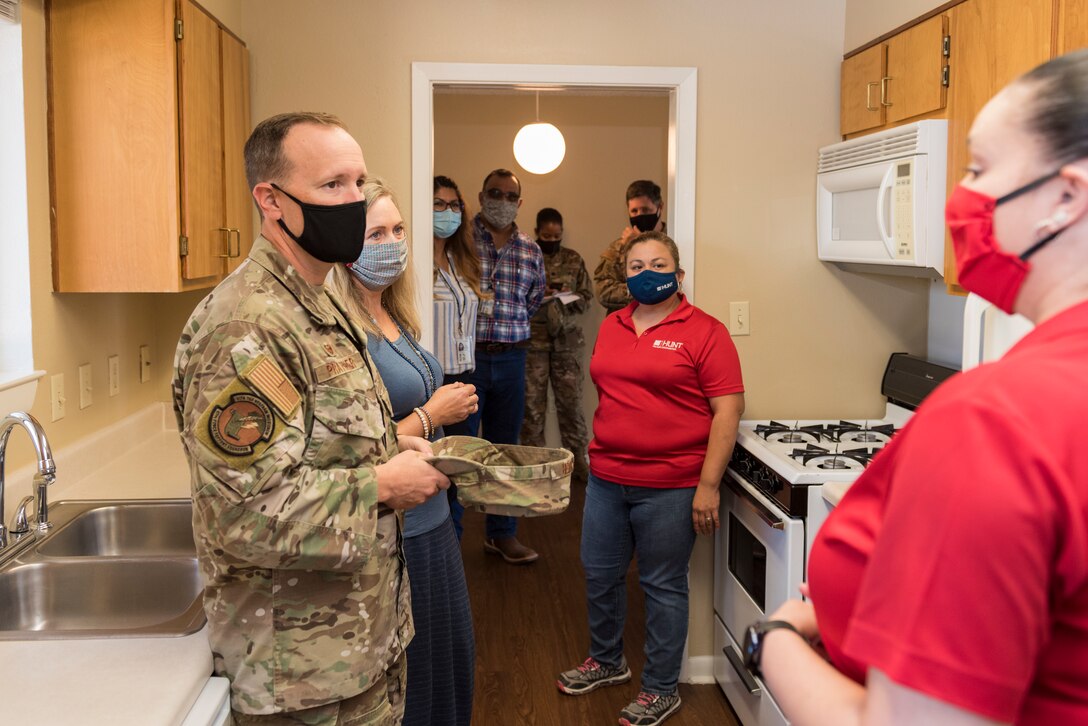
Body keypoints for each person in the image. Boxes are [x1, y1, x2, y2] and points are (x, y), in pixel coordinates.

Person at [758, 49, 1088, 726]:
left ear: (1064, 197)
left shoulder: (997, 419)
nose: (958, 199)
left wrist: (780, 639)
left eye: (977, 168)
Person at [171, 112, 449, 725]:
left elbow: (338, 448)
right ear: (271, 200)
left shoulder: (322, 300)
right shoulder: (247, 327)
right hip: (299, 680)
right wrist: (384, 485)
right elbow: (244, 517)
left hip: (360, 648)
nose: (353, 200)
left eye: (358, 182)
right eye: (332, 186)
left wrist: (397, 456)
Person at [557, 231, 745, 726]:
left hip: (673, 483)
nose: (647, 273)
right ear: (625, 277)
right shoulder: (615, 324)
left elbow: (728, 409)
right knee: (599, 573)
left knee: (662, 584)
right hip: (607, 477)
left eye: (658, 264)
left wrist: (707, 485)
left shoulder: (706, 331)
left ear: (678, 275)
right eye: (636, 266)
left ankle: (661, 688)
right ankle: (608, 660)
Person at [335, 178, 477, 726]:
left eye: (397, 230)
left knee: (450, 666)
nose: (391, 243)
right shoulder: (340, 329)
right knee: (413, 686)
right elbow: (348, 446)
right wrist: (431, 415)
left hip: (433, 522)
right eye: (376, 232)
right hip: (395, 530)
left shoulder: (392, 313)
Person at [461, 168, 546, 564]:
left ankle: (501, 534)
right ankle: (452, 535)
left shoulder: (530, 249)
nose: (500, 200)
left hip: (512, 358)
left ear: (519, 202)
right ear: (481, 196)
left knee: (505, 450)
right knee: (460, 450)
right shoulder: (458, 239)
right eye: (494, 192)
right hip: (466, 359)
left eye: (509, 195)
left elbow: (533, 300)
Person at [520, 207, 593, 485]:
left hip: (567, 344)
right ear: (538, 232)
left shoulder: (574, 260)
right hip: (533, 344)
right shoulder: (528, 256)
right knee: (532, 410)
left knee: (571, 408)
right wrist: (542, 295)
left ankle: (580, 469)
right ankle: (535, 470)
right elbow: (517, 297)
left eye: (557, 235)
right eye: (547, 235)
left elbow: (587, 297)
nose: (552, 239)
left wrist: (565, 297)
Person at [432, 174, 486, 540]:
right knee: (435, 476)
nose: (448, 212)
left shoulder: (460, 259)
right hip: (432, 385)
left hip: (466, 379)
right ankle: (441, 549)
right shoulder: (415, 262)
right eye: (439, 204)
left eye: (454, 205)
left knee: (459, 475)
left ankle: (453, 548)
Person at [593, 179, 667, 314]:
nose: (640, 215)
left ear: (660, 207)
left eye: (645, 209)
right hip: (626, 326)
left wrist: (642, 247)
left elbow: (670, 285)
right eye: (634, 211)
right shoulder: (619, 247)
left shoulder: (673, 243)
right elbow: (602, 291)